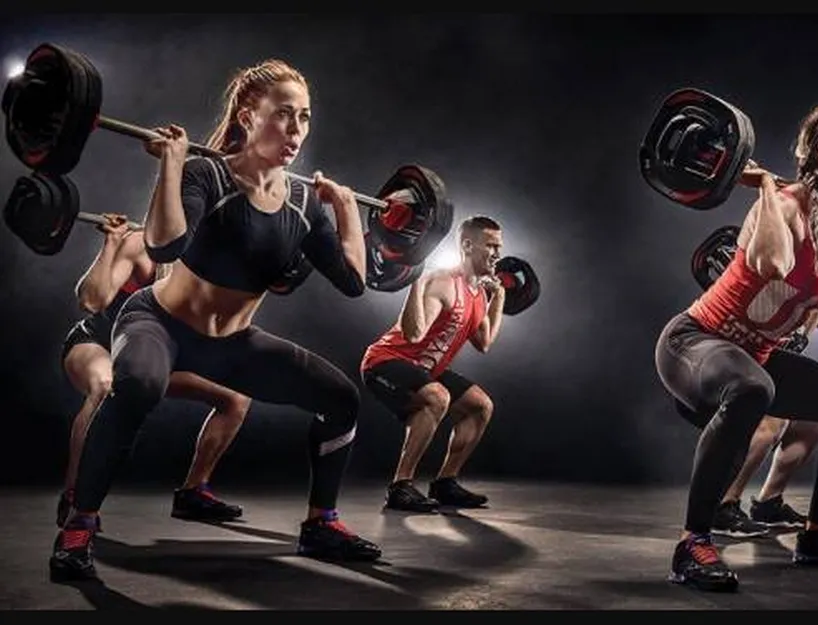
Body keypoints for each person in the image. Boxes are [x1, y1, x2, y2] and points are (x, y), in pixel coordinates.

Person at [49, 58, 382, 583]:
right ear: (249, 117)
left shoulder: (304, 205)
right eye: (283, 115)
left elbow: (352, 281)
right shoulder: (208, 173)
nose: (295, 131)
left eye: (305, 118)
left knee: (341, 399)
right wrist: (172, 165)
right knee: (136, 384)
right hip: (159, 322)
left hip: (230, 344)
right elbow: (164, 244)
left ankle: (321, 523)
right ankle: (78, 523)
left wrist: (344, 211)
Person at [654, 100, 818, 592]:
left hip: (754, 357)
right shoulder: (783, 205)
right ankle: (692, 542)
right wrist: (765, 185)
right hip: (695, 342)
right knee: (751, 390)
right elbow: (770, 263)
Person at [58, 212, 253, 528]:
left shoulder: (207, 261)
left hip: (152, 355)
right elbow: (92, 301)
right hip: (99, 343)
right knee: (105, 386)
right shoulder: (138, 244)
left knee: (235, 398)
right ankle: (75, 498)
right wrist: (111, 245)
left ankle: (193, 493)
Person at [360, 216, 506, 513]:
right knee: (437, 396)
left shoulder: (478, 294)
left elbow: (485, 343)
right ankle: (400, 487)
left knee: (481, 406)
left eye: (499, 247)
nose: (497, 254)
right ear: (467, 245)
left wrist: (499, 296)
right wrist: (416, 279)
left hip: (425, 369)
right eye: (490, 245)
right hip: (386, 362)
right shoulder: (442, 282)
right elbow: (414, 334)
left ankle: (445, 483)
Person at [709, 310, 818, 538]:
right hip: (733, 359)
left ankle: (768, 505)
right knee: (772, 423)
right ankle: (721, 507)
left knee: (810, 425)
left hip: (772, 358)